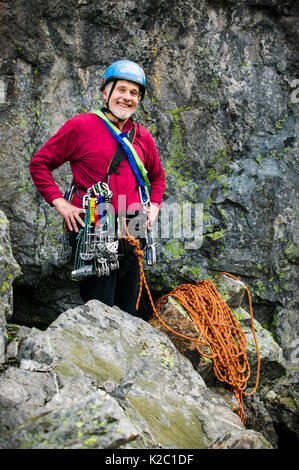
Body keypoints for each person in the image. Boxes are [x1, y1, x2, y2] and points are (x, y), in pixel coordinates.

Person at [29, 59, 165, 315]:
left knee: (129, 306)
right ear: (106, 92)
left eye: (134, 93)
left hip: (133, 226)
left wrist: (154, 207)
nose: (127, 97)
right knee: (99, 308)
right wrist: (60, 203)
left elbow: (157, 176)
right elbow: (40, 163)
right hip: (96, 225)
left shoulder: (143, 136)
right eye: (121, 89)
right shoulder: (81, 127)